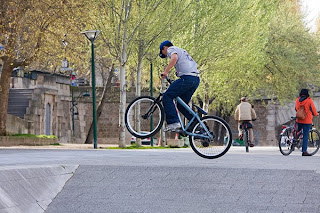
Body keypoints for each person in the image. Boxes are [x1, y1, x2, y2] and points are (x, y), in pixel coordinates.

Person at [159, 40, 200, 132]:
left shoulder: (171, 49)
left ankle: (173, 122)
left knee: (167, 96)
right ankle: (198, 124)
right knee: (182, 105)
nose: (166, 55)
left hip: (187, 78)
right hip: (195, 79)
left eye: (163, 53)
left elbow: (174, 58)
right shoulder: (183, 51)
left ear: (164, 47)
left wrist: (165, 71)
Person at [295, 89, 318, 156]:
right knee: (305, 135)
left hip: (299, 119)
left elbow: (296, 109)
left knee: (297, 130)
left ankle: (294, 141)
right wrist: (316, 114)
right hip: (307, 120)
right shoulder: (309, 100)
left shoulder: (297, 100)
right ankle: (304, 151)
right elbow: (313, 110)